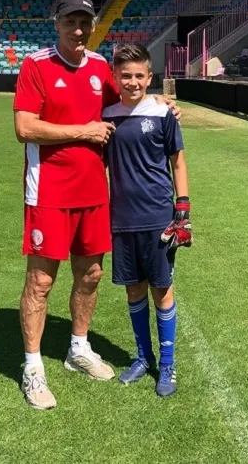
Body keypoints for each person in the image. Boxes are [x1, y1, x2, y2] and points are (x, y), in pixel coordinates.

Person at [12, 0, 179, 410]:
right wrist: (82, 131)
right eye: (70, 21)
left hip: (95, 194)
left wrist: (160, 103)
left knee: (90, 275)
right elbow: (25, 127)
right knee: (41, 282)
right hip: (48, 192)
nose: (78, 30)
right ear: (57, 23)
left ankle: (78, 348)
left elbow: (129, 98)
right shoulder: (36, 65)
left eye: (85, 22)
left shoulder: (102, 67)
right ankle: (33, 367)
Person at [102, 43, 192, 398]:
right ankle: (143, 357)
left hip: (158, 218)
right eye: (126, 75)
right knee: (133, 289)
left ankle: (167, 365)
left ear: (149, 76)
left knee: (161, 289)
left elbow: (177, 162)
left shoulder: (162, 113)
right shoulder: (107, 116)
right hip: (122, 219)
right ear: (115, 76)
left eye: (139, 76)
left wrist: (182, 208)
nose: (133, 82)